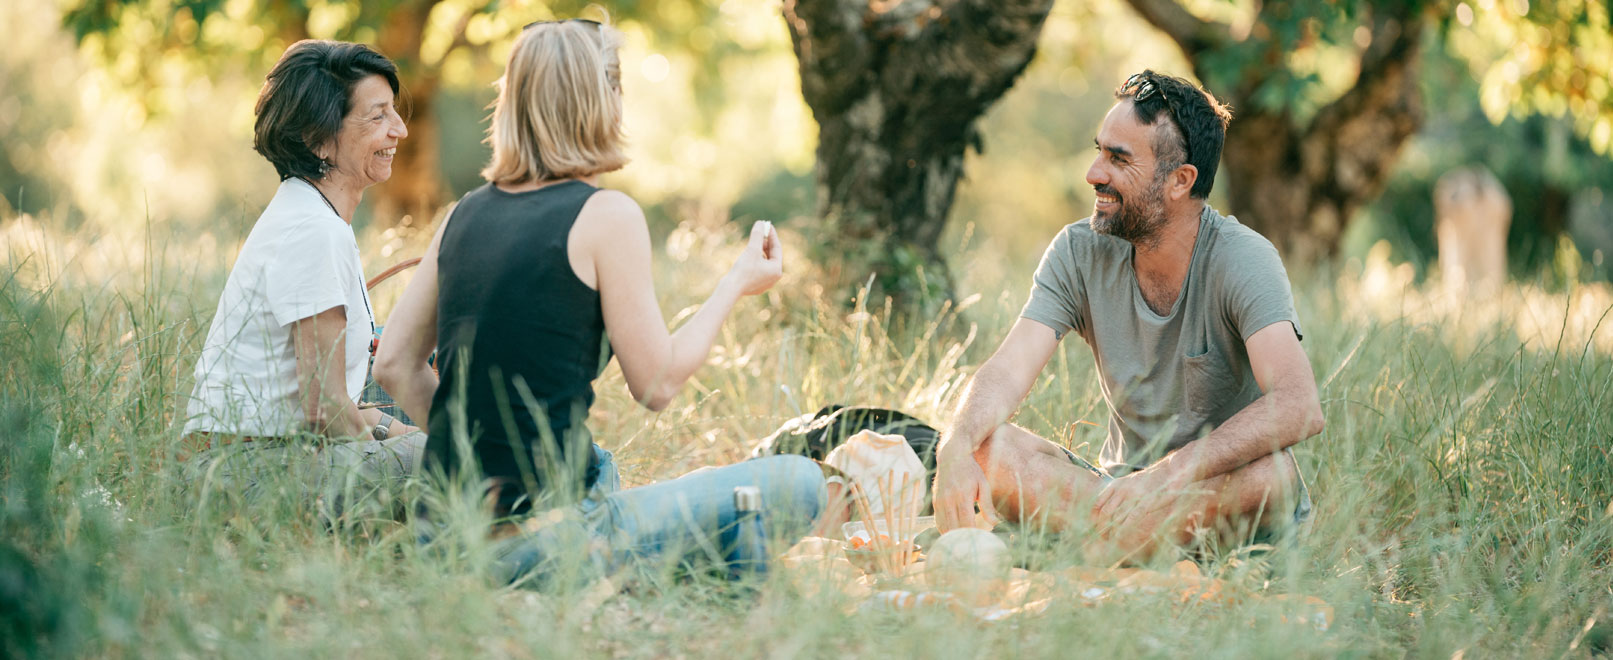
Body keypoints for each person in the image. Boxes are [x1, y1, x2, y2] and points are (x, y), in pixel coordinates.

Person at [373, 19, 824, 585]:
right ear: (598, 99)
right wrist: (735, 282)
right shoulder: (607, 215)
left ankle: (687, 549)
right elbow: (657, 385)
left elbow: (392, 364)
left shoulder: (461, 214)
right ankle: (683, 552)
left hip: (439, 537)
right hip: (542, 543)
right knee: (802, 482)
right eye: (617, 87)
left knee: (599, 465)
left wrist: (470, 453)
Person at [931, 71, 1324, 562]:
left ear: (1180, 181)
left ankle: (1091, 553)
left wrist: (1165, 476)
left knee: (1273, 475)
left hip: (1212, 496)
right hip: (1114, 498)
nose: (1094, 172)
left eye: (1118, 159)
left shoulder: (1243, 259)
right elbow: (1008, 370)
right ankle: (1126, 553)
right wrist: (955, 446)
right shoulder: (1078, 251)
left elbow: (1299, 405)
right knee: (989, 448)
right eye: (1099, 151)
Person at [183, 40, 424, 517]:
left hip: (254, 463)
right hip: (250, 473)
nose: (399, 129)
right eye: (377, 117)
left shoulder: (311, 214)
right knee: (467, 465)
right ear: (319, 138)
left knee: (437, 441)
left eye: (393, 113)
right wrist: (416, 456)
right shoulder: (313, 231)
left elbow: (347, 403)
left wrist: (411, 439)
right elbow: (325, 407)